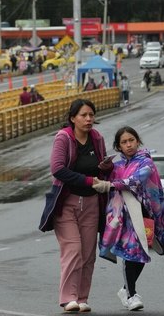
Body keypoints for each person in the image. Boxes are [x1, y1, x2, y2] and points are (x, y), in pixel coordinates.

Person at [39, 99, 113, 313]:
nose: (89, 119)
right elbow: (58, 169)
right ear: (73, 118)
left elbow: (100, 170)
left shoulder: (97, 138)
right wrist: (89, 180)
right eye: (84, 115)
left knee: (89, 253)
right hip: (67, 202)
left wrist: (106, 168)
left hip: (92, 203)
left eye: (91, 114)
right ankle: (67, 298)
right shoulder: (63, 138)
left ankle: (81, 298)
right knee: (73, 249)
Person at [100, 127, 164, 312]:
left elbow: (135, 181)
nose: (128, 145)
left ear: (138, 141)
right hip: (122, 218)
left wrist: (110, 183)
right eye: (124, 142)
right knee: (130, 253)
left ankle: (126, 290)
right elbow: (106, 181)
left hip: (143, 215)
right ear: (118, 146)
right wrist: (105, 171)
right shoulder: (116, 166)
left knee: (141, 254)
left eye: (131, 140)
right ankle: (132, 294)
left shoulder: (146, 162)